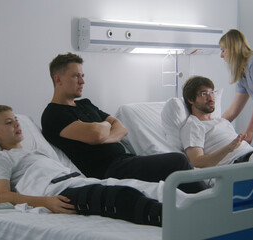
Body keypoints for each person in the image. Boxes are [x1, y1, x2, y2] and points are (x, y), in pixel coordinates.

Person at [0, 104, 186, 227]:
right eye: (8, 122)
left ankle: (199, 206)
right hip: (58, 192)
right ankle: (183, 222)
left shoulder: (37, 152)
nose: (17, 124)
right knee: (120, 197)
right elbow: (2, 196)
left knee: (153, 188)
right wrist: (45, 202)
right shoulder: (0, 158)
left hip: (80, 182)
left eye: (15, 119)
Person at [41, 52, 207, 194]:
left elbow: (122, 128)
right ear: (58, 79)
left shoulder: (85, 103)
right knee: (178, 161)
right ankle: (212, 203)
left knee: (176, 167)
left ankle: (203, 202)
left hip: (126, 161)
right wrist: (105, 127)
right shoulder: (53, 114)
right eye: (76, 76)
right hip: (108, 171)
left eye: (82, 76)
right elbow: (98, 134)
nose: (82, 81)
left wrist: (103, 133)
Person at [181, 75, 253, 169]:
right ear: (191, 99)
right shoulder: (194, 125)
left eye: (212, 92)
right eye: (204, 93)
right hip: (241, 165)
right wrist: (228, 148)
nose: (211, 97)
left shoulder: (222, 122)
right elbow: (196, 162)